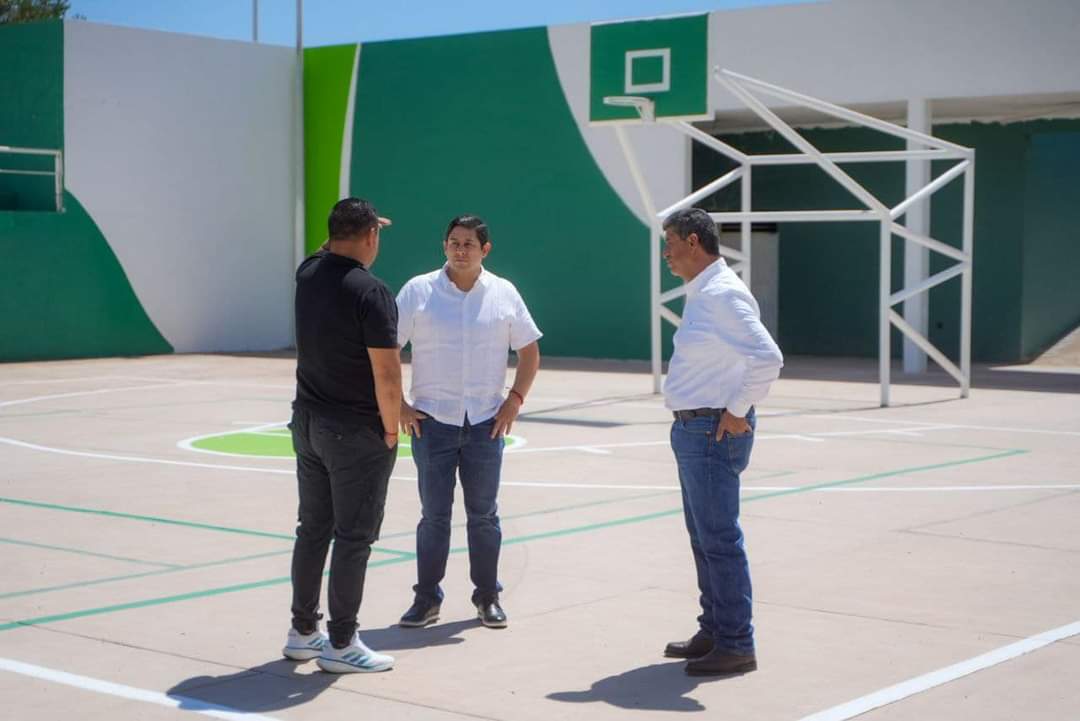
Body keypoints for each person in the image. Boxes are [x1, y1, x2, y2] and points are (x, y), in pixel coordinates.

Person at [394, 214, 541, 630]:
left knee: (484, 516)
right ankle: (426, 600)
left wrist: (515, 400)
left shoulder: (504, 293)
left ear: (485, 250)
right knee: (433, 516)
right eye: (454, 242)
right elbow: (387, 347)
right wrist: (399, 405)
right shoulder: (418, 291)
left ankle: (487, 597)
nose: (460, 250)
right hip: (431, 422)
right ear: (444, 245)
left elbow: (529, 351)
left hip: (484, 424)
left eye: (469, 244)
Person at [660, 207, 783, 676]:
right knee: (704, 538)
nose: (666, 253)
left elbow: (767, 357)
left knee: (719, 539)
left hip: (711, 430)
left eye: (669, 242)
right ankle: (714, 629)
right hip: (695, 430)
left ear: (693, 241)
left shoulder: (722, 295)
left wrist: (735, 411)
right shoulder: (704, 292)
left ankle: (735, 642)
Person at [281, 197, 402, 674]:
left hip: (307, 423)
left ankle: (303, 632)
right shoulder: (371, 293)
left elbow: (323, 249)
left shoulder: (307, 272)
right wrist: (391, 429)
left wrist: (346, 229)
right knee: (353, 538)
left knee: (313, 530)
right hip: (354, 432)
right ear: (371, 236)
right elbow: (387, 377)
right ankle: (342, 642)